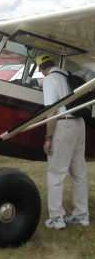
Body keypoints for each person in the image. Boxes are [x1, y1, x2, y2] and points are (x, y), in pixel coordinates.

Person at [36, 54, 89, 229]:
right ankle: (82, 215)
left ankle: (56, 218)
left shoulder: (50, 80)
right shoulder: (67, 75)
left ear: (41, 69)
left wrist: (48, 138)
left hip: (64, 126)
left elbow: (51, 112)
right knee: (79, 173)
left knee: (56, 173)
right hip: (79, 125)